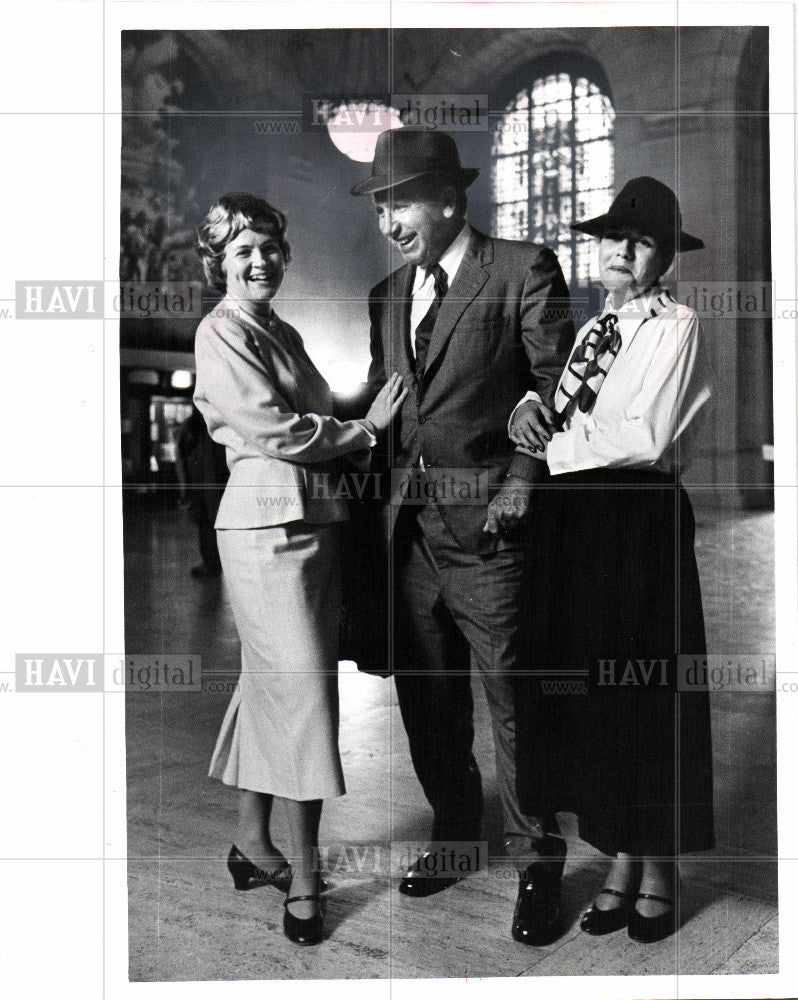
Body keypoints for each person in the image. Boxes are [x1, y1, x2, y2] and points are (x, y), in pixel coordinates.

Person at [350, 128, 574, 912]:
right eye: (379, 204)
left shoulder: (520, 269)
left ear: (449, 199)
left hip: (491, 530)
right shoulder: (384, 297)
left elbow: (558, 383)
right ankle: (456, 832)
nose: (387, 221)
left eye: (399, 201)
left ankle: (537, 859)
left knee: (513, 694)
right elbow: (383, 407)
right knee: (428, 694)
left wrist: (521, 479)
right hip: (405, 535)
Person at [193, 192, 406, 946]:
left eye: (271, 248)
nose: (261, 262)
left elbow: (314, 408)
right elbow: (273, 428)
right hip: (263, 530)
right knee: (307, 694)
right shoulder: (220, 331)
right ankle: (309, 876)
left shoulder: (276, 328)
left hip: (310, 525)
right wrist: (362, 429)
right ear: (219, 260)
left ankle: (253, 846)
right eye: (245, 250)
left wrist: (367, 410)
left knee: (271, 686)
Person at [508, 176, 715, 945]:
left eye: (643, 240)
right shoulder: (597, 328)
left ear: (665, 257)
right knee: (599, 692)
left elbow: (646, 436)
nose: (623, 250)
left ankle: (659, 866)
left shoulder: (676, 325)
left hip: (637, 517)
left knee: (646, 688)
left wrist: (555, 446)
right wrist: (526, 411)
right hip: (579, 519)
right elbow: (560, 409)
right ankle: (622, 859)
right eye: (612, 237)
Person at [175, 403, 228, 578]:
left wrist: (185, 487)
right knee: (211, 524)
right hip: (213, 483)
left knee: (205, 525)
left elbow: (180, 456)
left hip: (201, 483)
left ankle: (211, 563)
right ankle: (216, 563)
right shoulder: (218, 423)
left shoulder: (191, 426)